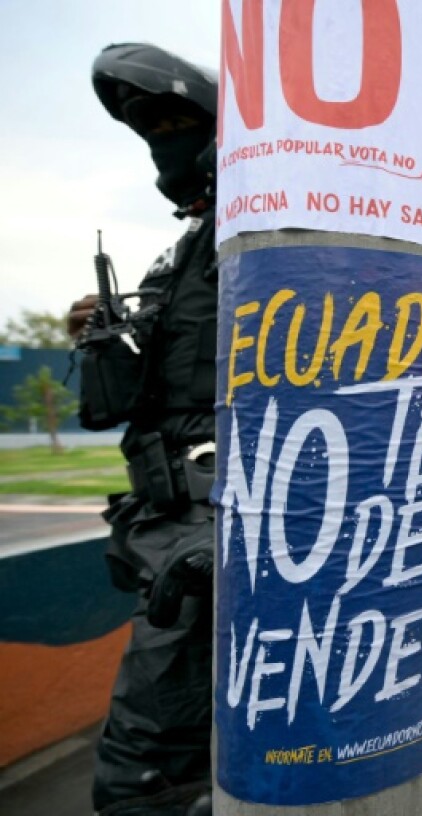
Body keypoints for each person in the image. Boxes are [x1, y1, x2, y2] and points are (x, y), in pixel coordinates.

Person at [67, 43, 218, 816]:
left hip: (209, 538)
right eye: (149, 125)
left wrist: (227, 534)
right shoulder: (177, 253)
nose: (162, 137)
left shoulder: (251, 241)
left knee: (137, 779)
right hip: (162, 531)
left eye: (176, 120)